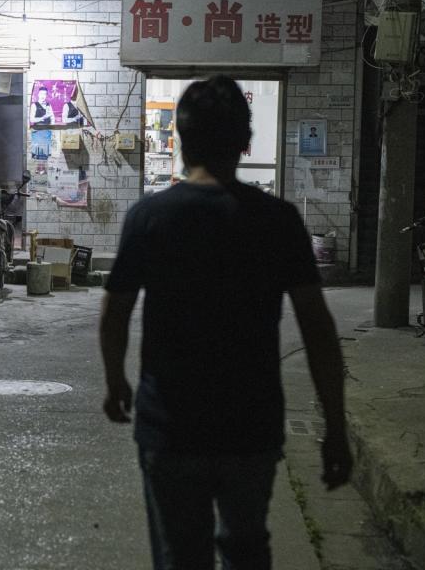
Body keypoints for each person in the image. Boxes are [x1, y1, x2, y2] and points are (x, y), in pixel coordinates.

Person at [99, 75, 352, 570]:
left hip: (170, 427)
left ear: (180, 142)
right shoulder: (278, 220)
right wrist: (335, 427)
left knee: (180, 557)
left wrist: (115, 383)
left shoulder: (150, 217)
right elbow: (318, 330)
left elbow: (115, 313)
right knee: (246, 550)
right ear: (245, 142)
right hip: (250, 427)